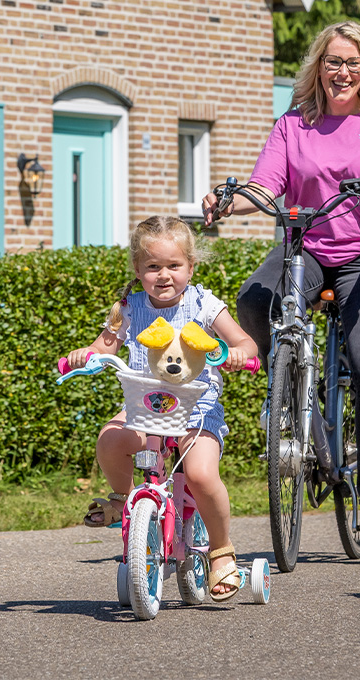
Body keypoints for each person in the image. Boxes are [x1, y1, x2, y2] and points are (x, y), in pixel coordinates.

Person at [202, 20, 360, 534]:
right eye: (333, 62)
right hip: (304, 246)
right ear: (318, 70)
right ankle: (284, 401)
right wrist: (227, 202)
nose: (342, 71)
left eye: (352, 63)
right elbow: (263, 186)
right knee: (255, 301)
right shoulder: (293, 125)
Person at [61, 216, 258, 601]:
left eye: (173, 266)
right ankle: (123, 499)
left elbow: (246, 342)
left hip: (196, 410)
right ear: (138, 269)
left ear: (190, 266)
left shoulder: (204, 304)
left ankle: (221, 551)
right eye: (153, 267)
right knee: (110, 440)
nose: (163, 275)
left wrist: (237, 354)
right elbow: (104, 347)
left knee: (200, 475)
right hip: (144, 407)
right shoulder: (128, 308)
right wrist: (87, 355)